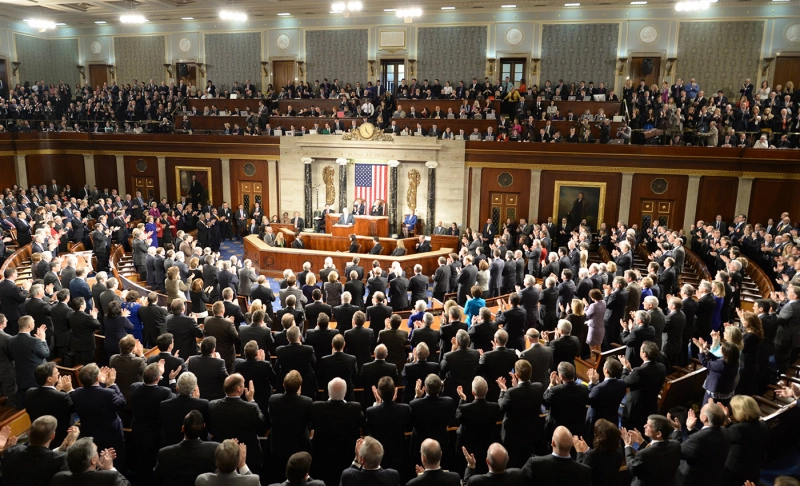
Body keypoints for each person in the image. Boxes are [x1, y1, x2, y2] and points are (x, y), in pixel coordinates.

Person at [208, 374, 268, 476]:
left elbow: (210, 429)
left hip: (222, 456)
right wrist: (252, 400)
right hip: (248, 457)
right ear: (239, 389)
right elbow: (262, 429)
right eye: (243, 384)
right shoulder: (251, 408)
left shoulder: (212, 406)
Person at [310, 378, 364, 486]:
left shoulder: (316, 408)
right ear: (345, 392)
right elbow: (362, 423)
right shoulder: (355, 408)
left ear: (328, 392)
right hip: (347, 458)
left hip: (322, 459)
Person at [71, 364, 126, 469]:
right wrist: (112, 384)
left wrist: (100, 383)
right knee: (115, 459)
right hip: (111, 435)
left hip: (88, 432)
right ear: (97, 378)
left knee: (92, 458)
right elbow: (122, 403)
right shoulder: (109, 393)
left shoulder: (76, 393)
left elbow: (93, 393)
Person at [497, 359, 544, 468]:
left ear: (516, 375)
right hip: (531, 433)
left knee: (513, 465)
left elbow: (501, 407)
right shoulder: (539, 387)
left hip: (513, 436)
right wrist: (516, 388)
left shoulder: (510, 393)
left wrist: (503, 391)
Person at [153, 410, 219, 486]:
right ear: (204, 426)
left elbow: (157, 479)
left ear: (183, 428)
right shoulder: (215, 449)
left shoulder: (164, 454)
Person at [673, 402, 731, 486]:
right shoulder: (725, 431)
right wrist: (691, 429)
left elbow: (678, 451)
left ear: (705, 418)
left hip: (691, 480)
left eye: (701, 411)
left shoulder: (698, 438)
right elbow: (707, 439)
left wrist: (677, 430)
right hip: (712, 477)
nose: (700, 410)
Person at [455, 377, 501, 475]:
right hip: (487, 446)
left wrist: (462, 399)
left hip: (469, 449)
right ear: (487, 390)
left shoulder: (464, 409)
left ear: (472, 392)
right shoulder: (494, 407)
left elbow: (458, 418)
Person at [722, 395, 769, 486]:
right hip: (753, 470)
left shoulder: (737, 430)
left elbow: (715, 438)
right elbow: (741, 435)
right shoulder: (762, 425)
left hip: (734, 475)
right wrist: (727, 422)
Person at [623, 414, 682, 486]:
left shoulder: (643, 454)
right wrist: (642, 443)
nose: (644, 426)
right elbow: (657, 452)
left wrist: (627, 445)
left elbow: (631, 468)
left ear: (658, 434)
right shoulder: (675, 445)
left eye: (648, 425)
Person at [521, 426, 591, 486]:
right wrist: (580, 453)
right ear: (572, 444)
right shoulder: (584, 471)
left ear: (553, 443)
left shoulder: (534, 464)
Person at [409, 374, 454, 468]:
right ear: (441, 388)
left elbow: (411, 421)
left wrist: (417, 397)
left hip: (420, 445)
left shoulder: (415, 404)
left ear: (425, 389)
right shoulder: (448, 402)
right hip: (441, 442)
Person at [49, 437, 131, 486]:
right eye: (96, 451)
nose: (98, 453)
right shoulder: (111, 477)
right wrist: (109, 468)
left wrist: (98, 467)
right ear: (93, 460)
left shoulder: (58, 478)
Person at [8, 315, 49, 409]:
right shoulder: (34, 341)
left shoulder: (11, 340)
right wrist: (42, 339)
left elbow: (11, 356)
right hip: (35, 377)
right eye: (33, 322)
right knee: (37, 404)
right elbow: (46, 353)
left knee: (24, 404)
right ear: (30, 325)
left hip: (20, 377)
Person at [574, 419, 624, 486]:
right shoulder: (619, 453)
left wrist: (579, 452)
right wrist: (587, 449)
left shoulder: (591, 455)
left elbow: (580, 475)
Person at [195, 439, 259, 485]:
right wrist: (242, 465)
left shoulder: (203, 481)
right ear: (238, 461)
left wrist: (224, 452)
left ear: (216, 461)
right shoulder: (253, 481)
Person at [478, 330, 517, 402]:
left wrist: (481, 357)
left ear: (495, 340)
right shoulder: (513, 353)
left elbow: (480, 371)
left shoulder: (487, 355)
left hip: (491, 390)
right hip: (507, 387)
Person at [188, 337, 229, 401]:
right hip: (215, 398)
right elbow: (227, 380)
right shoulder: (219, 362)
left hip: (198, 396)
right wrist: (218, 359)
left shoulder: (192, 360)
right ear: (213, 350)